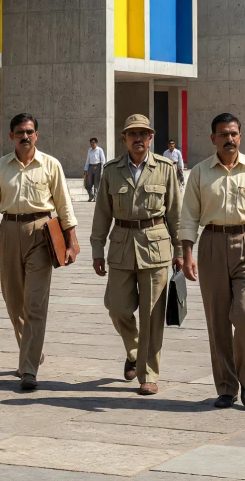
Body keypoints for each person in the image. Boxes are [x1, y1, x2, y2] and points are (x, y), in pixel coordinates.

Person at [179, 113, 245, 410]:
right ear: (213, 138)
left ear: (240, 136)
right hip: (212, 244)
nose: (229, 139)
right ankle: (226, 386)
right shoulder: (200, 172)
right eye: (223, 134)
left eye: (234, 134)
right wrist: (187, 255)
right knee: (217, 321)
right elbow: (189, 217)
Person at [0, 113, 80, 391]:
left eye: (30, 131)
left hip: (41, 233)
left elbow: (64, 205)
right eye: (20, 132)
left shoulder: (50, 164)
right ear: (11, 136)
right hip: (9, 232)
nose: (25, 136)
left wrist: (71, 241)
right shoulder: (0, 167)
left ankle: (29, 369)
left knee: (35, 303)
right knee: (14, 303)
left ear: (37, 135)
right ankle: (33, 349)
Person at [91, 114, 182, 395]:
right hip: (121, 246)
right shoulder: (111, 170)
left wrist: (180, 250)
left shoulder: (165, 168)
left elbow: (176, 214)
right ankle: (133, 350)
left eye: (143, 133)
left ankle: (148, 373)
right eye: (133, 134)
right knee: (116, 307)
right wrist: (97, 249)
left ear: (151, 138)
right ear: (124, 139)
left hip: (156, 246)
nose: (138, 138)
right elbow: (102, 213)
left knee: (152, 315)